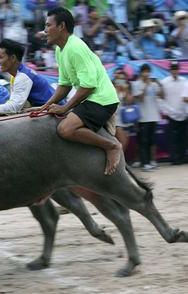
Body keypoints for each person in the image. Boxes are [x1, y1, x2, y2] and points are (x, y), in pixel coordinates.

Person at [40, 7, 120, 176]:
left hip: (101, 100)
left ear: (61, 26)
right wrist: (45, 106)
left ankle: (111, 146)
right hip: (91, 99)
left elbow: (89, 85)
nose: (45, 30)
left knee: (65, 129)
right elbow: (64, 85)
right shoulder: (59, 50)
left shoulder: (75, 48)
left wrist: (64, 108)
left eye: (48, 25)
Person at [0, 38, 57, 113]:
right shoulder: (16, 75)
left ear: (13, 58)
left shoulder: (22, 77)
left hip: (54, 111)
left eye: (1, 57)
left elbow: (13, 108)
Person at [132, 64, 164, 171]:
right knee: (143, 141)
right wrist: (145, 85)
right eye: (144, 71)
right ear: (141, 73)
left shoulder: (153, 84)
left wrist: (159, 84)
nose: (147, 74)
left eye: (148, 71)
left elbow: (162, 95)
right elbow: (140, 99)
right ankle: (144, 163)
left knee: (151, 141)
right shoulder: (136, 84)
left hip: (153, 116)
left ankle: (151, 162)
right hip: (143, 118)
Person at [161, 62, 188, 165]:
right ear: (170, 70)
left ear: (179, 69)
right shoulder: (164, 82)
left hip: (183, 114)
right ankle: (174, 158)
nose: (175, 70)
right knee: (173, 138)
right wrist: (167, 111)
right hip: (171, 114)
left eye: (176, 68)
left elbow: (186, 96)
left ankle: (183, 157)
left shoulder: (185, 81)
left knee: (183, 137)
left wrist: (185, 111)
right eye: (173, 68)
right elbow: (160, 98)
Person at [113, 69, 134, 151]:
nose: (121, 81)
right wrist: (117, 90)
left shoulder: (127, 89)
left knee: (124, 143)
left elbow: (130, 102)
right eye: (119, 79)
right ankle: (120, 162)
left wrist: (125, 90)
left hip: (126, 119)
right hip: (116, 119)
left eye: (123, 79)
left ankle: (121, 162)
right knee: (122, 142)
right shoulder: (112, 89)